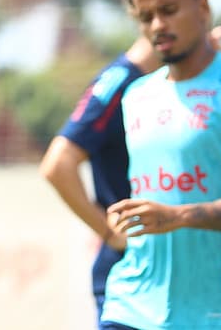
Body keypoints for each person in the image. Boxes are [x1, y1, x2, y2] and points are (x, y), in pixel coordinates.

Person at [99, 0, 221, 330]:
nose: (157, 25)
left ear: (203, 8)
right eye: (145, 17)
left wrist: (179, 216)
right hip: (131, 306)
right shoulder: (135, 95)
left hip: (219, 313)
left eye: (169, 10)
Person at [39, 34, 159, 321]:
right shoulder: (120, 82)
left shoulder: (170, 83)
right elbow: (58, 164)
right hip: (131, 277)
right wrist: (109, 233)